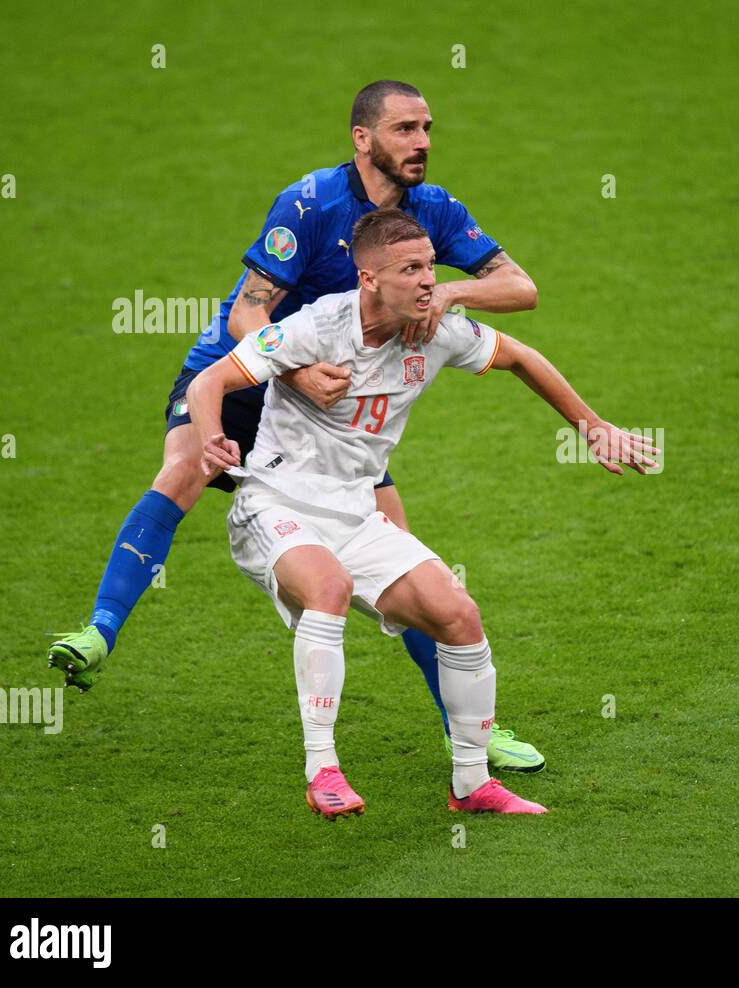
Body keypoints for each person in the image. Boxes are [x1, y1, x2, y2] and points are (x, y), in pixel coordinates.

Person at [48, 80, 545, 771]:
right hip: (253, 372)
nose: (423, 142)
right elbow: (250, 312)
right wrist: (294, 372)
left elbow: (522, 287)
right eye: (405, 129)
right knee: (187, 466)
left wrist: (448, 287)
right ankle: (98, 631)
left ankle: (468, 728)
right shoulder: (309, 203)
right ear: (363, 139)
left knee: (398, 553)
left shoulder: (431, 213)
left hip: (338, 403)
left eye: (427, 128)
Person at [185, 208, 655, 816]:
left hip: (355, 515)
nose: (430, 280)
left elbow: (521, 357)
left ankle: (471, 783)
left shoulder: (435, 331)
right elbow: (208, 384)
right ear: (369, 279)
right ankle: (322, 770)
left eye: (432, 265)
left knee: (456, 613)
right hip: (274, 503)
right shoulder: (317, 325)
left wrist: (591, 427)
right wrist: (212, 440)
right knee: (329, 586)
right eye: (412, 269)